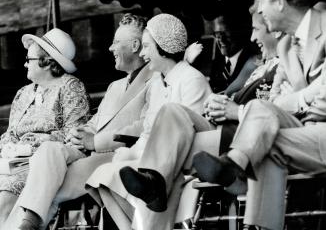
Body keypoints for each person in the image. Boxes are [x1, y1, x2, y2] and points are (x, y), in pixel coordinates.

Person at [117, 1, 281, 230]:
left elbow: (271, 107)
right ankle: (154, 182)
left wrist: (233, 108)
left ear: (276, 31)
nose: (252, 39)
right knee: (169, 131)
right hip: (222, 129)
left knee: (168, 147)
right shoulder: (259, 66)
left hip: (236, 136)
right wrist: (220, 100)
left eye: (257, 30)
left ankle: (154, 182)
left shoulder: (274, 66)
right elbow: (231, 92)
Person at [193, 0, 326, 229]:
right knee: (260, 113)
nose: (257, 10)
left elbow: (325, 101)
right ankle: (255, 213)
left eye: (261, 2)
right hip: (307, 131)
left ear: (278, 1)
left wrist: (297, 94)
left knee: (265, 142)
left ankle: (235, 168)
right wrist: (306, 94)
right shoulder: (286, 45)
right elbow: (273, 102)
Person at [2, 13, 153, 230]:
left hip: (116, 154)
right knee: (49, 153)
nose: (110, 48)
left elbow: (144, 125)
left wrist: (95, 140)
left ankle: (27, 223)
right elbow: (95, 122)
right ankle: (29, 223)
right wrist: (80, 133)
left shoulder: (154, 80)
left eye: (116, 42)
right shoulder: (115, 86)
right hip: (85, 153)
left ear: (136, 45)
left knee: (42, 185)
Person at [85, 13, 212, 230]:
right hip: (154, 160)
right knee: (103, 176)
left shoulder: (192, 79)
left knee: (130, 175)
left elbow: (191, 135)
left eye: (146, 47)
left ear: (162, 47)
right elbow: (146, 134)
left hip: (183, 162)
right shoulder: (158, 85)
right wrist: (128, 154)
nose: (143, 54)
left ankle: (152, 191)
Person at [0, 28, 90, 227]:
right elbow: (10, 134)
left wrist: (43, 140)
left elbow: (76, 134)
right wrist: (8, 146)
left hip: (44, 164)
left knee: (4, 196)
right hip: (13, 161)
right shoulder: (23, 93)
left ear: (47, 62)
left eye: (28, 59)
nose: (24, 64)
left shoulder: (70, 86)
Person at [209, 12, 259, 94]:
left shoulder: (253, 60)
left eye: (226, 32)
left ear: (238, 32)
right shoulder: (217, 62)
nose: (221, 39)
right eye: (217, 34)